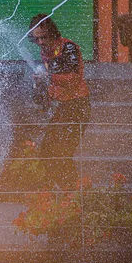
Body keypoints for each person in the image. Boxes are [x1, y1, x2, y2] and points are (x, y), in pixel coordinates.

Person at [28, 14, 91, 190]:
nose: (40, 42)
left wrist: (48, 76)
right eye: (36, 38)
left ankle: (73, 192)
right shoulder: (45, 51)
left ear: (53, 32)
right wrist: (41, 88)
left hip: (78, 105)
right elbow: (52, 84)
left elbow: (73, 79)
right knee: (48, 151)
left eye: (44, 37)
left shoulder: (67, 47)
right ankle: (70, 191)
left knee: (61, 153)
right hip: (63, 106)